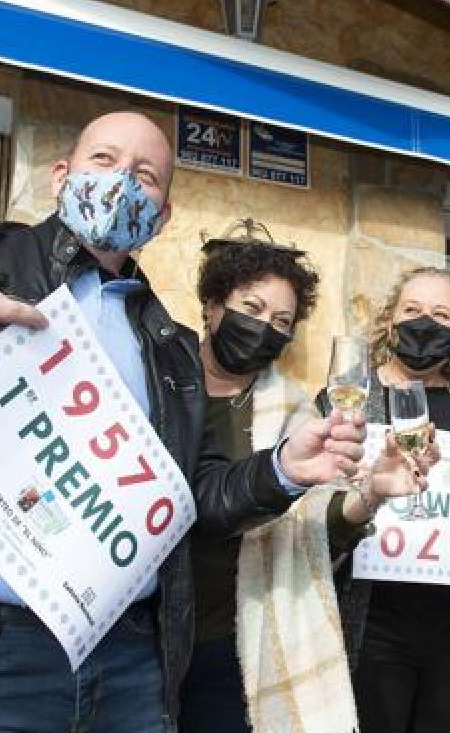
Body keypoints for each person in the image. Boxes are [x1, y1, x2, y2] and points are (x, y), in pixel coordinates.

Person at [0, 111, 424, 733]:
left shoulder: (172, 348)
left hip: (128, 665)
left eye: (145, 177)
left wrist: (281, 471)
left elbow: (188, 503)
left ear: (161, 216)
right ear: (61, 175)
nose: (121, 183)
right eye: (104, 160)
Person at [180, 228, 412, 732]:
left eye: (281, 321)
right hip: (140, 632)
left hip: (228, 639)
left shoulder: (293, 412)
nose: (264, 327)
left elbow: (314, 526)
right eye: (252, 307)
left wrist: (370, 495)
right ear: (213, 305)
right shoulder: (163, 383)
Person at [317, 267, 450, 733]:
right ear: (389, 320)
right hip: (373, 621)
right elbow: (318, 501)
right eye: (412, 309)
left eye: (441, 314)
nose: (425, 322)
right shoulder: (350, 394)